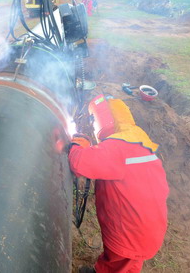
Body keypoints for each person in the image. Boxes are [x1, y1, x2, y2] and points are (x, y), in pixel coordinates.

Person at [69, 99, 169, 273]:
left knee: (122, 264)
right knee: (121, 262)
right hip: (145, 227)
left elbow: (79, 163)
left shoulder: (117, 148)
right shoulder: (139, 142)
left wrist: (77, 145)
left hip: (131, 233)